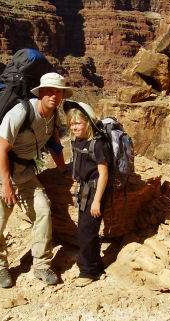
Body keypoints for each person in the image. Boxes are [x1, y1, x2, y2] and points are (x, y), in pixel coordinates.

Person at [0, 72, 72, 288]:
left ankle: (41, 264)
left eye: (58, 92)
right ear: (40, 92)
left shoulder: (52, 116)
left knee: (43, 211)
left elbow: (55, 145)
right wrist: (6, 184)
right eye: (49, 91)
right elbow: (1, 147)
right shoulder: (21, 111)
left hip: (25, 173)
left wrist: (63, 170)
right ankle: (0, 267)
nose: (54, 95)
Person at [64, 101, 110, 287]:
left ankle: (87, 271)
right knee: (85, 229)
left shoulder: (98, 144)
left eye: (78, 123)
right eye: (71, 123)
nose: (74, 127)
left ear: (88, 123)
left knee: (86, 231)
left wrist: (97, 201)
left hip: (95, 190)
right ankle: (96, 266)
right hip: (84, 189)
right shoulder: (77, 141)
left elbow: (104, 173)